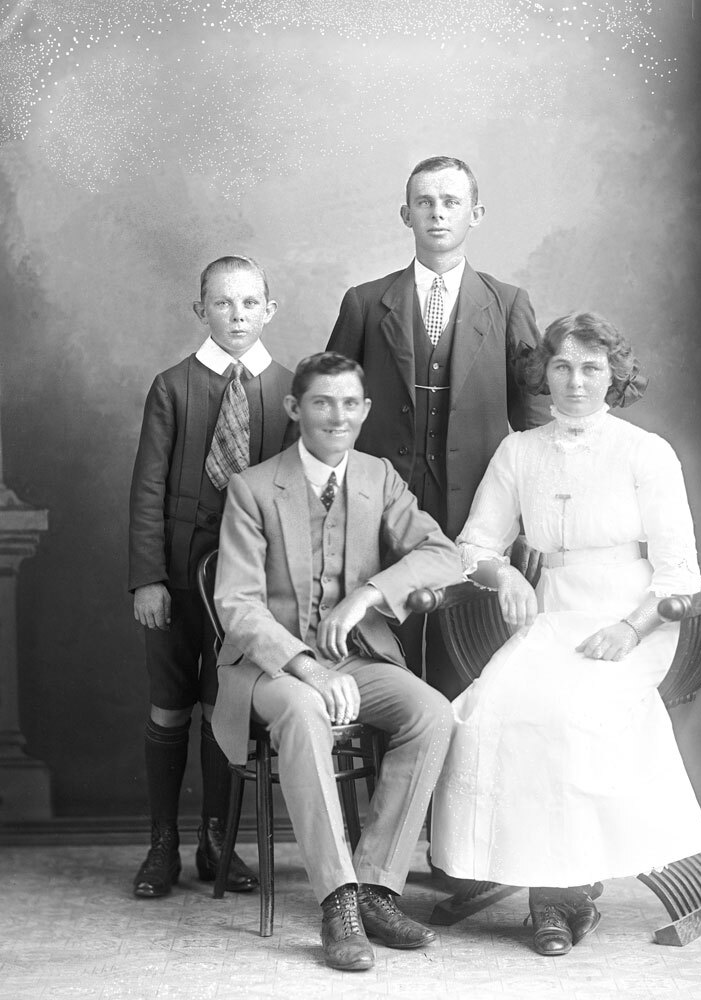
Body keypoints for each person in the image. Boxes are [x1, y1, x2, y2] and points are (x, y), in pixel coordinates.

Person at [430, 312, 701, 956]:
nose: (575, 381)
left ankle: (560, 899)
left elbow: (678, 578)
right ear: (543, 373)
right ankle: (519, 868)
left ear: (614, 375)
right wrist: (503, 577)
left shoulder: (645, 452)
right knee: (484, 707)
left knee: (565, 713)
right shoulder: (519, 451)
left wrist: (629, 629)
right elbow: (475, 544)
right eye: (562, 365)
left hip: (629, 619)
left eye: (591, 367)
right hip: (552, 617)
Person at [211, 352, 461, 972]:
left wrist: (367, 596)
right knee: (301, 711)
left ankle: (377, 886)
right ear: (297, 409)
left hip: (357, 660)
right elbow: (237, 605)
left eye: (350, 403)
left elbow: (442, 553)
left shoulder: (379, 478)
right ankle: (338, 899)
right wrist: (308, 668)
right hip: (268, 669)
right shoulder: (252, 488)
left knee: (431, 713)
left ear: (365, 410)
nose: (337, 416)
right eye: (323, 402)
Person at [326, 155, 548, 698]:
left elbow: (534, 420)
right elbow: (328, 410)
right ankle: (398, 769)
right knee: (387, 654)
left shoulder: (506, 303)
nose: (438, 214)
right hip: (382, 507)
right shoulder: (364, 302)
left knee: (468, 659)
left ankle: (453, 778)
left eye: (451, 202)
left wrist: (533, 515)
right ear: (406, 215)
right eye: (425, 202)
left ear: (476, 213)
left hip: (476, 507)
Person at [128, 255, 294, 899]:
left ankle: (217, 841)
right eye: (222, 303)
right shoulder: (172, 387)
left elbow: (288, 496)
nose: (237, 316)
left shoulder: (283, 388)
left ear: (269, 310)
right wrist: (148, 578)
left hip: (245, 584)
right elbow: (147, 489)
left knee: (226, 705)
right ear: (201, 310)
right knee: (170, 704)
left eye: (250, 303)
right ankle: (163, 843)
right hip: (175, 572)